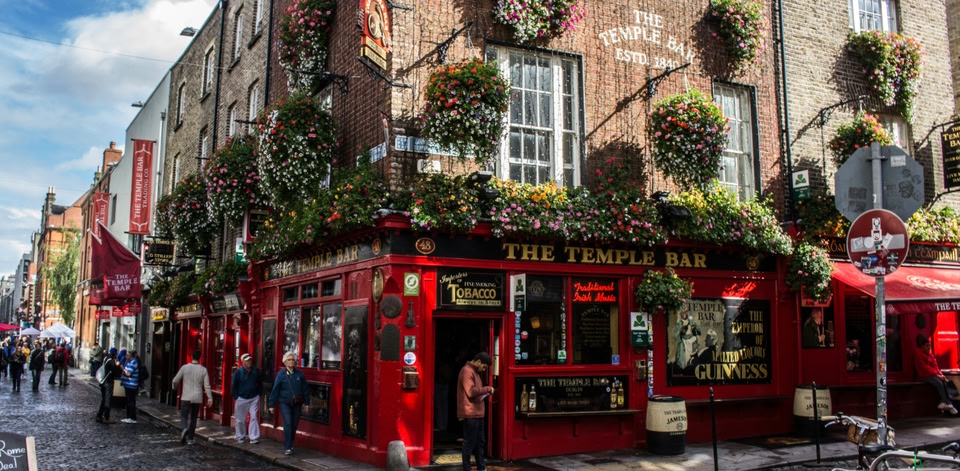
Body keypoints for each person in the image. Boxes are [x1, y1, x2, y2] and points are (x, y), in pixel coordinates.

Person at [457, 352, 494, 471]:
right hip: (470, 413)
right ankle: (467, 469)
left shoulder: (475, 373)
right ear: (478, 362)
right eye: (483, 367)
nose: (483, 370)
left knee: (480, 443)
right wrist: (487, 389)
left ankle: (481, 468)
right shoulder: (467, 371)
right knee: (470, 444)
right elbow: (471, 392)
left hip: (477, 413)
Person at [268, 351, 310, 456]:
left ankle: (290, 444)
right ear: (285, 362)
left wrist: (307, 403)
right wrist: (271, 404)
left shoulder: (300, 374)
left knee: (294, 425)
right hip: (284, 403)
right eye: (289, 360)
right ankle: (287, 447)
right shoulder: (281, 374)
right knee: (288, 423)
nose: (291, 362)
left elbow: (305, 389)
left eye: (293, 360)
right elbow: (275, 389)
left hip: (297, 403)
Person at [172, 350, 212, 445]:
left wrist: (174, 387)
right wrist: (210, 398)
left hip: (186, 396)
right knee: (194, 417)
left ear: (191, 357)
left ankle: (184, 428)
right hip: (197, 397)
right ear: (200, 358)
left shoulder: (185, 368)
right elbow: (207, 386)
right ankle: (190, 438)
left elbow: (175, 380)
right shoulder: (203, 370)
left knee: (184, 415)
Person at [915, 334, 958, 415]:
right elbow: (925, 367)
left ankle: (946, 403)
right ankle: (948, 404)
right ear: (922, 346)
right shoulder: (919, 354)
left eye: (930, 346)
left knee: (945, 382)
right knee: (939, 384)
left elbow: (935, 366)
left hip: (932, 374)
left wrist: (941, 375)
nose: (929, 348)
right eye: (927, 346)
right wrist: (936, 375)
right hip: (924, 375)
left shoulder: (930, 355)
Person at [232, 353, 262, 444]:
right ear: (243, 361)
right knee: (240, 419)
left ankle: (253, 437)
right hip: (242, 398)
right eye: (247, 360)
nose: (249, 361)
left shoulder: (255, 371)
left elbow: (259, 383)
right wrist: (236, 396)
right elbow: (234, 385)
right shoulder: (238, 372)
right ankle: (241, 436)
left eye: (250, 360)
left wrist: (259, 394)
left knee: (254, 417)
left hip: (253, 397)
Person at [97, 348, 124, 424]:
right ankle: (106, 417)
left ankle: (99, 415)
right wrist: (118, 366)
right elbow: (116, 372)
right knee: (108, 400)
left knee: (104, 399)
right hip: (108, 382)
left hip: (102, 381)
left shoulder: (105, 358)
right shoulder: (111, 361)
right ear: (115, 354)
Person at [120, 350, 140, 423]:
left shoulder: (133, 362)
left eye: (127, 355)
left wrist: (122, 368)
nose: (126, 356)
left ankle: (132, 417)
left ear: (131, 356)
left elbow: (128, 373)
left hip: (131, 385)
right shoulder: (129, 361)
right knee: (128, 401)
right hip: (128, 384)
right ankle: (128, 417)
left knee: (131, 401)